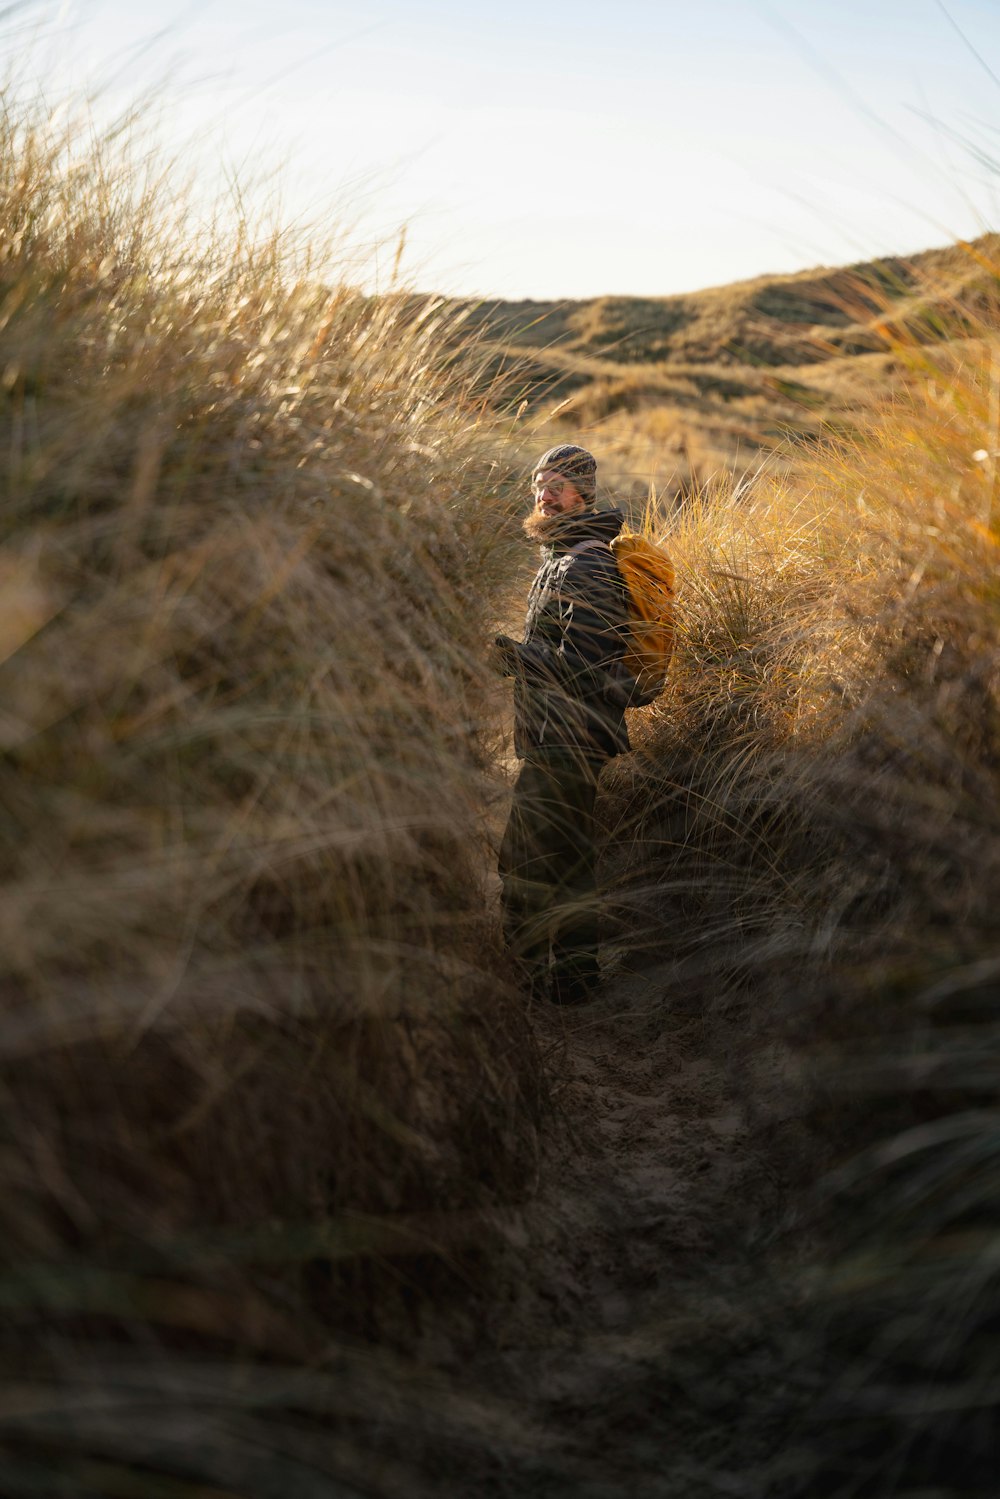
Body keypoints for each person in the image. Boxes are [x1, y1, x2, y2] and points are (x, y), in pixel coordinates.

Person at [493, 444, 636, 1006]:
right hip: (564, 738)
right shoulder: (564, 558)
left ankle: (523, 990)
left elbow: (591, 667)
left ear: (585, 494)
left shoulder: (589, 564)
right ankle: (577, 986)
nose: (545, 495)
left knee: (522, 862)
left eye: (558, 485)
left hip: (569, 741)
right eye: (539, 484)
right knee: (570, 863)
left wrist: (508, 654)